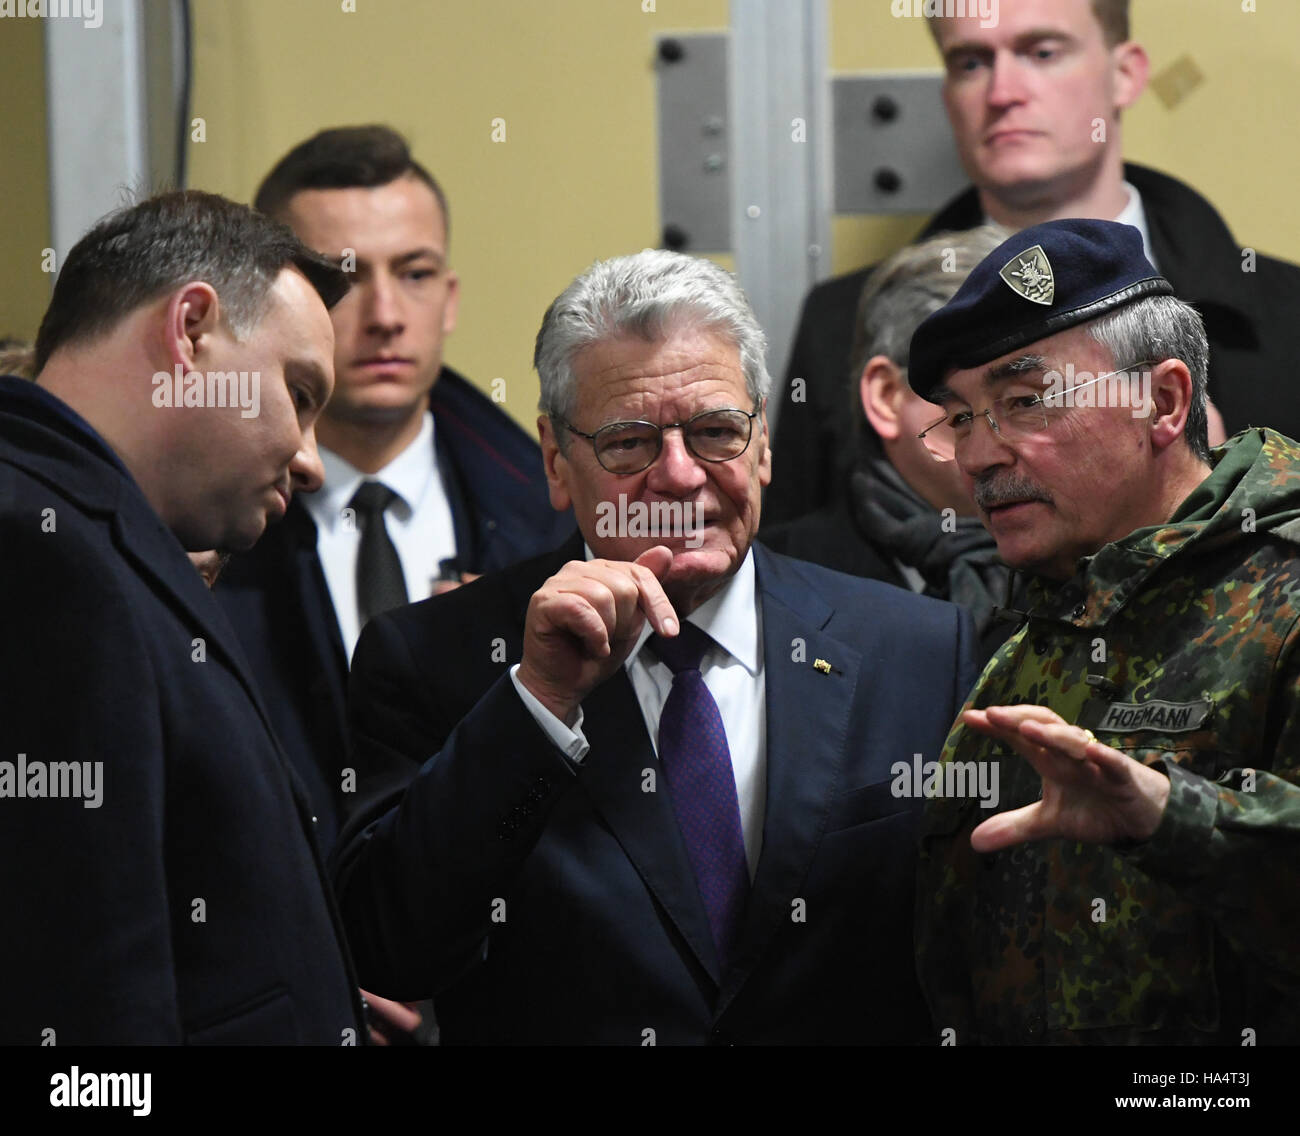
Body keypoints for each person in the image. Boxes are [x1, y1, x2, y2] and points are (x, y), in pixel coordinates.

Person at [332, 249, 979, 1044]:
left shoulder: (915, 647)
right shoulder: (434, 658)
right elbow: (392, 948)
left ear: (766, 443)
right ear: (554, 462)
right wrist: (537, 701)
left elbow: (968, 962)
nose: (678, 477)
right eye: (630, 443)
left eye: (716, 432)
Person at [908, 217, 1300, 1044]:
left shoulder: (1288, 591)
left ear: (1161, 401)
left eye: (1021, 402)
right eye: (961, 418)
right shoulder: (1033, 626)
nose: (978, 456)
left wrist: (1170, 817)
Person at [0, 190, 363, 1043]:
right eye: (299, 393)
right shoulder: (41, 551)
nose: (312, 463)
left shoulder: (93, 540)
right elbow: (81, 999)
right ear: (192, 329)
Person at [767, 0, 1300, 527]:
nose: (1003, 93)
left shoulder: (1287, 313)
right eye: (971, 63)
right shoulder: (843, 322)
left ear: (1124, 74)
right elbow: (793, 580)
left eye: (1042, 52)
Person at [216, 126, 571, 854]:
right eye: (343, 279)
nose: (384, 315)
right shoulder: (205, 523)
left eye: (414, 274)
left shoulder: (551, 511)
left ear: (449, 299)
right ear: (267, 304)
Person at [762, 226, 1015, 662]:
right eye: (980, 391)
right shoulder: (770, 583)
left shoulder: (1092, 561)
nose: (1014, 429)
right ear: (885, 396)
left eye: (1032, 396)